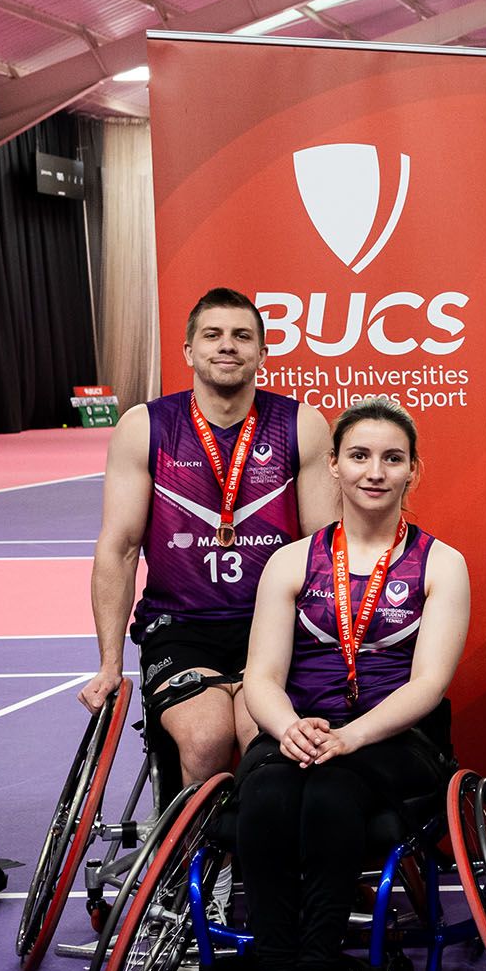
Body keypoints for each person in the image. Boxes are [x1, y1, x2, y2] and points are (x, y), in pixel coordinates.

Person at [232, 397, 470, 971]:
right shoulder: (290, 562)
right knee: (265, 795)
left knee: (333, 792)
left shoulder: (440, 563)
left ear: (412, 472)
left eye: (392, 458)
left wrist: (353, 735)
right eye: (360, 456)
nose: (375, 471)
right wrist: (286, 729)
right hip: (298, 730)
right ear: (333, 465)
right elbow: (260, 676)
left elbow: (429, 684)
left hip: (396, 741)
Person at [78, 288, 335, 787]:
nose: (228, 346)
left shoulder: (300, 424)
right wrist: (110, 664)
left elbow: (322, 550)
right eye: (212, 335)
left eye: (243, 336)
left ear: (263, 353)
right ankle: (200, 853)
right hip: (181, 627)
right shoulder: (145, 426)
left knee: (259, 734)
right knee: (204, 737)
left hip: (275, 624)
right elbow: (120, 548)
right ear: (188, 351)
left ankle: (250, 854)